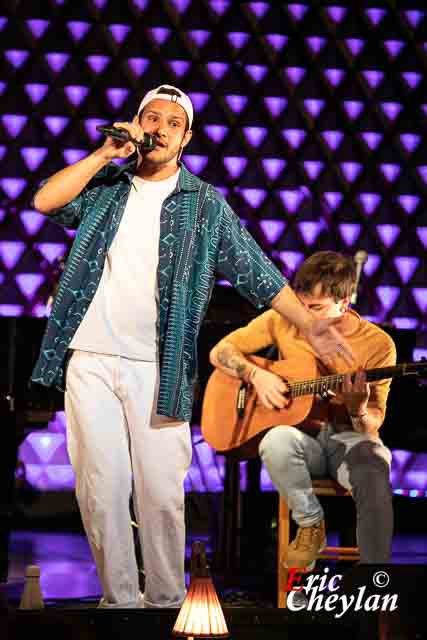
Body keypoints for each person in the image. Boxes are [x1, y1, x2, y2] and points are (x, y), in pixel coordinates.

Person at [31, 84, 354, 609]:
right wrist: (103, 154)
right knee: (101, 488)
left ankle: (161, 602)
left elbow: (258, 273)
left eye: (171, 123)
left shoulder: (204, 205)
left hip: (160, 367)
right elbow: (44, 200)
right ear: (137, 125)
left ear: (186, 138)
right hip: (90, 359)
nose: (158, 128)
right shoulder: (106, 183)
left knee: (160, 494)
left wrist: (310, 325)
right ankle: (120, 604)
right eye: (150, 118)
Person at [210, 251, 396, 570]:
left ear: (345, 302)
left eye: (317, 308)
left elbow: (371, 426)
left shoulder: (378, 344)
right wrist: (256, 374)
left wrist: (357, 409)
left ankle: (375, 573)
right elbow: (220, 351)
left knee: (375, 464)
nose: (306, 316)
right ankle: (311, 525)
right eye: (302, 304)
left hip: (348, 439)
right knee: (275, 440)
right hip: (303, 441)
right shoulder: (283, 319)